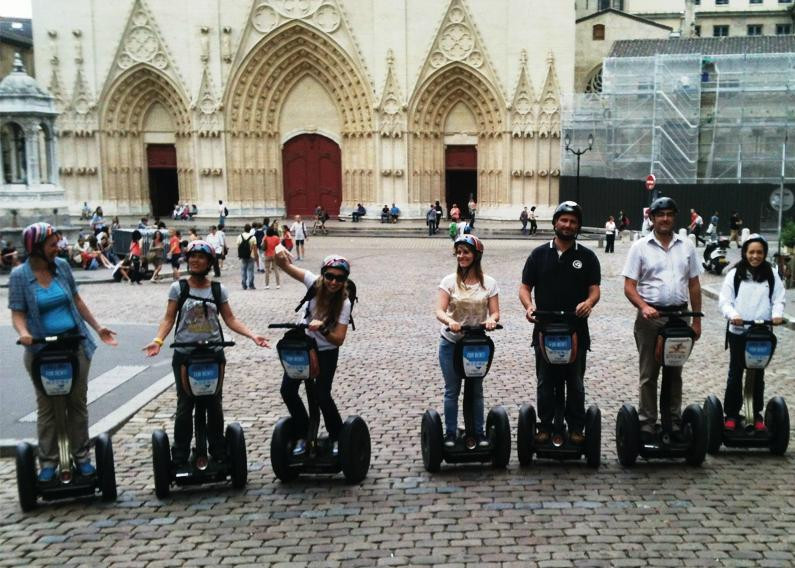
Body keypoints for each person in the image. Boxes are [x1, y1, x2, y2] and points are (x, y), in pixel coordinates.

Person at [143, 240, 269, 467]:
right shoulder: (178, 288)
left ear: (209, 262)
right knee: (185, 405)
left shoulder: (217, 289)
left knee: (214, 404)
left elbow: (230, 319)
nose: (195, 260)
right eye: (192, 256)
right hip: (185, 353)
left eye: (201, 257)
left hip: (212, 353)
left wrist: (252, 335)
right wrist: (158, 340)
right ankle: (180, 452)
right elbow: (169, 318)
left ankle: (218, 449)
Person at [9, 222, 117, 481]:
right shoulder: (20, 276)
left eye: (57, 242)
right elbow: (17, 313)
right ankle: (48, 461)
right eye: (52, 244)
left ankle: (82, 457)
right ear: (35, 248)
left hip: (74, 346)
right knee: (47, 407)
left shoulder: (63, 267)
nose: (58, 247)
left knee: (76, 404)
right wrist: (23, 333)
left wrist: (98, 327)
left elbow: (77, 301)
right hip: (41, 351)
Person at [519, 201, 601, 445]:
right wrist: (529, 306)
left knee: (574, 382)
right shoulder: (538, 254)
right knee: (546, 381)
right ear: (555, 222)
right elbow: (525, 288)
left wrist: (589, 303)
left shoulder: (587, 257)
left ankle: (576, 426)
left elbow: (595, 290)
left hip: (575, 329)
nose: (568, 225)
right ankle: (544, 426)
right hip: (545, 328)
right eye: (563, 220)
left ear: (578, 226)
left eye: (573, 221)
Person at [622, 197, 702, 444]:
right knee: (649, 373)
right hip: (651, 319)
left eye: (669, 214)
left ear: (674, 217)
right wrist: (643, 306)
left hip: (679, 317)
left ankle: (673, 422)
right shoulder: (640, 247)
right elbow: (629, 286)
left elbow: (694, 284)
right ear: (652, 218)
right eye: (660, 215)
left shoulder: (686, 246)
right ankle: (647, 423)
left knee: (674, 373)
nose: (665, 219)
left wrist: (696, 321)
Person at [273, 252, 354, 456]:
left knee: (322, 396)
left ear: (345, 280)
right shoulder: (312, 283)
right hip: (303, 348)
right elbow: (287, 267)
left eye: (339, 278)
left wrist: (324, 329)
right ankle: (303, 432)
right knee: (288, 391)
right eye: (330, 276)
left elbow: (339, 339)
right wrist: (279, 254)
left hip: (326, 352)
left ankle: (337, 436)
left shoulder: (344, 303)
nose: (333, 282)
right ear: (323, 275)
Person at [435, 235, 499, 448]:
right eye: (459, 252)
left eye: (466, 252)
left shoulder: (489, 283)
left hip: (476, 344)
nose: (461, 256)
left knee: (476, 389)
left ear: (476, 255)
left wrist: (491, 320)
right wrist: (450, 321)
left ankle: (479, 433)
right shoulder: (448, 282)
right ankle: (450, 434)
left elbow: (495, 312)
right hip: (451, 343)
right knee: (452, 390)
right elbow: (439, 310)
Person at [718, 234, 785, 432]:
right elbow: (725, 300)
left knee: (758, 374)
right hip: (739, 331)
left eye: (759, 252)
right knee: (735, 373)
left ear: (764, 254)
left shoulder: (772, 274)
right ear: (745, 253)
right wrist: (733, 314)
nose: (755, 256)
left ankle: (755, 414)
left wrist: (777, 315)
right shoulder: (735, 274)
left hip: (762, 333)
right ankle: (731, 414)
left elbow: (779, 299)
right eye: (751, 252)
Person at [235, 224, 257, 290]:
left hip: (243, 255)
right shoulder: (253, 237)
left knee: (243, 270)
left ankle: (244, 284)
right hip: (251, 255)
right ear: (250, 229)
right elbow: (255, 248)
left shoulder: (239, 236)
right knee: (250, 270)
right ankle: (251, 284)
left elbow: (238, 247)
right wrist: (256, 256)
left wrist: (239, 255)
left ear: (244, 229)